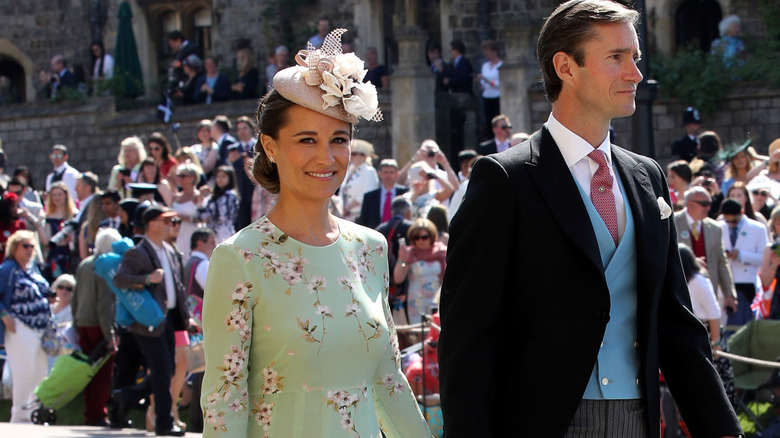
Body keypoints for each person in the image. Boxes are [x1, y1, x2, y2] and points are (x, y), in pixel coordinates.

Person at [438, 1, 742, 437]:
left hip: (637, 420)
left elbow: (675, 323)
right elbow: (468, 337)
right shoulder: (505, 179)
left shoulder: (647, 176)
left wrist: (724, 431)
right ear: (566, 66)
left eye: (634, 57)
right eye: (616, 57)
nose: (635, 73)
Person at [200, 29, 430, 437]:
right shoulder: (239, 258)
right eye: (307, 139)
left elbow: (388, 384)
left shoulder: (371, 248)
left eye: (338, 140)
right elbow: (223, 402)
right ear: (270, 147)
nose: (326, 157)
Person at [113, 205, 190, 436]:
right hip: (148, 321)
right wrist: (147, 278)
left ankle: (125, 397)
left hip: (168, 320)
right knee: (163, 371)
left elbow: (176, 287)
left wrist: (187, 318)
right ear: (153, 224)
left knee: (166, 370)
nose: (171, 225)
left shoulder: (168, 249)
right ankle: (164, 422)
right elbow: (120, 279)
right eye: (166, 221)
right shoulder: (138, 252)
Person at [0, 230, 51, 423]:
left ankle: (36, 414)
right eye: (25, 246)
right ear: (14, 248)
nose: (30, 250)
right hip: (20, 326)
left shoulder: (33, 269)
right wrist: (5, 316)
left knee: (40, 372)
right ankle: (20, 417)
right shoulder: (7, 269)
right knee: (24, 371)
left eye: (32, 246)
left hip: (40, 328)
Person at [678, 244, 737, 408]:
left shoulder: (699, 282)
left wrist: (716, 343)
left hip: (709, 335)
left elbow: (714, 313)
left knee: (715, 382)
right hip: (693, 335)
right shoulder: (682, 282)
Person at [675, 186, 738, 315]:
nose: (709, 208)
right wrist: (691, 260)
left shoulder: (715, 228)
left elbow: (722, 262)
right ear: (690, 203)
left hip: (708, 291)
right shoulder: (672, 222)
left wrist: (729, 294)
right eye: (705, 204)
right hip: (681, 290)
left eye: (710, 204)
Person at [720, 198, 767, 327]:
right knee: (725, 325)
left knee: (747, 324)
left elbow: (764, 258)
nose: (731, 224)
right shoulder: (719, 227)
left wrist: (741, 255)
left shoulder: (758, 228)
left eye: (734, 221)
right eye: (727, 220)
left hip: (748, 284)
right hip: (726, 284)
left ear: (741, 212)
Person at [393, 218, 446, 323]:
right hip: (416, 302)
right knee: (419, 333)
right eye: (417, 237)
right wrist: (401, 258)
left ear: (431, 236)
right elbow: (398, 279)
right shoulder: (410, 253)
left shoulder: (441, 252)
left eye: (424, 237)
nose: (420, 241)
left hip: (436, 301)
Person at [38, 182, 78, 280]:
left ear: (65, 195)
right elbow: (46, 241)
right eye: (54, 195)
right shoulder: (47, 216)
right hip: (53, 255)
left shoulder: (74, 215)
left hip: (70, 254)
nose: (57, 198)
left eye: (59, 194)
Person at [357, 159, 408, 229]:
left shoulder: (405, 193)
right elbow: (363, 222)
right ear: (379, 174)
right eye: (385, 172)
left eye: (391, 172)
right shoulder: (369, 197)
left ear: (397, 174)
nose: (388, 175)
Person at [229, 115, 258, 230]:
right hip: (240, 190)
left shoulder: (258, 146)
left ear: (251, 128)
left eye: (244, 128)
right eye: (239, 129)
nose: (242, 132)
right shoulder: (232, 149)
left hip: (256, 188)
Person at [340, 139, 379, 221]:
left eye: (354, 154)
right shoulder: (349, 171)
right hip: (346, 216)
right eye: (351, 154)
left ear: (363, 156)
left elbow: (367, 193)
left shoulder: (369, 171)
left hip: (361, 216)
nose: (351, 156)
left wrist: (348, 207)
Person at [170, 163, 202, 264]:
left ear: (192, 178)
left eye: (183, 176)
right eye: (178, 175)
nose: (179, 178)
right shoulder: (176, 197)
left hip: (192, 234)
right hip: (178, 235)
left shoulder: (199, 196)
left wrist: (182, 217)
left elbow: (202, 217)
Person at [199, 165, 238, 243]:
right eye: (218, 176)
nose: (219, 179)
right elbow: (201, 214)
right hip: (211, 231)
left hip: (224, 231)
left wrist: (209, 215)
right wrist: (201, 196)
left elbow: (223, 216)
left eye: (223, 177)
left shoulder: (230, 196)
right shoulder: (213, 196)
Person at [475, 40, 502, 139]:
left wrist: (487, 80)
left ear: (494, 51)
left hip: (497, 96)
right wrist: (480, 81)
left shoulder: (500, 65)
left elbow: (499, 84)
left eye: (488, 52)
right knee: (488, 121)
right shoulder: (485, 66)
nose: (486, 55)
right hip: (487, 96)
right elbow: (483, 84)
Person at [0, 193, 28, 264]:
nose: (15, 209)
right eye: (12, 207)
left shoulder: (21, 224)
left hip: (16, 262)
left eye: (16, 206)